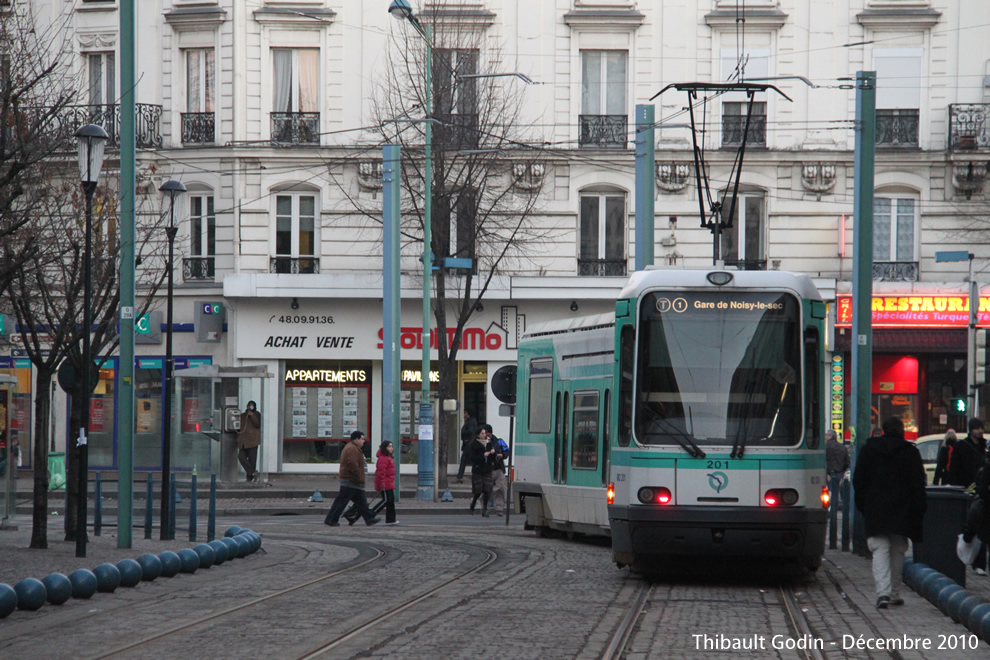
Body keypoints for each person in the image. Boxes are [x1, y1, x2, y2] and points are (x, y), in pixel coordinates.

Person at [852, 416, 927, 609]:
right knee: (898, 548)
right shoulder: (910, 452)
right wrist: (918, 510)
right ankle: (894, 593)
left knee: (879, 548)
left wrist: (862, 504)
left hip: (875, 507)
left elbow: (858, 479)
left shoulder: (869, 450)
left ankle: (882, 593)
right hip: (902, 508)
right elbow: (918, 484)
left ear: (883, 429)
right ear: (901, 430)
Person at [324, 431, 380, 527]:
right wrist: (358, 476)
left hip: (353, 481)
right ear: (356, 439)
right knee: (342, 501)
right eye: (362, 439)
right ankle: (331, 519)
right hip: (351, 480)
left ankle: (369, 518)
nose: (363, 441)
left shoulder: (353, 447)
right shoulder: (352, 449)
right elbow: (353, 464)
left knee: (361, 502)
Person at [346, 440, 398, 525]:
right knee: (386, 501)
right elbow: (381, 473)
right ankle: (371, 514)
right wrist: (382, 484)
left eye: (391, 446)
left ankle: (391, 519)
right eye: (389, 446)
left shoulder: (388, 458)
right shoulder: (383, 459)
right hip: (385, 483)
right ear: (384, 448)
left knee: (390, 501)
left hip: (389, 483)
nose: (391, 448)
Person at [484, 423, 509, 516]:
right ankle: (485, 508)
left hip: (498, 469)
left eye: (486, 433)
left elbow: (507, 450)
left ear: (490, 433)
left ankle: (499, 509)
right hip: (487, 470)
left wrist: (502, 455)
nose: (485, 435)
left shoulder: (498, 440)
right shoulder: (481, 442)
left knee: (501, 489)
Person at [468, 427, 495, 517]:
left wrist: (493, 453)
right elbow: (473, 458)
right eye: (482, 433)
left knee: (487, 490)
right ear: (478, 435)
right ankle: (473, 503)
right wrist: (483, 455)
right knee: (478, 490)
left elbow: (492, 457)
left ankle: (485, 509)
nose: (484, 435)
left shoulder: (488, 443)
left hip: (487, 469)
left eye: (484, 433)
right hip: (478, 470)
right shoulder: (474, 445)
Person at [237, 401, 261, 483]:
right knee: (241, 457)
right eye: (249, 406)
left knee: (252, 460)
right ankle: (253, 472)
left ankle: (249, 478)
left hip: (253, 441)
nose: (250, 408)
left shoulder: (257, 415)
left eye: (251, 407)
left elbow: (257, 424)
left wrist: (252, 415)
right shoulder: (243, 416)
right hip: (243, 442)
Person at [825, 429, 849, 512]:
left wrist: (826, 472)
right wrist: (842, 471)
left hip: (827, 473)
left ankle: (828, 510)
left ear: (830, 436)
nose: (825, 437)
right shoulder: (842, 447)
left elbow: (823, 460)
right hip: (838, 473)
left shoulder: (825, 447)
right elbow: (847, 462)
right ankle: (833, 510)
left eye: (826, 435)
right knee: (835, 493)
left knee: (826, 492)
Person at [456, 410, 478, 484]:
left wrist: (463, 434)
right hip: (469, 443)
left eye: (465, 413)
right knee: (467, 460)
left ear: (468, 414)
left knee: (464, 460)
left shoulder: (471, 422)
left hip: (468, 444)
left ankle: (460, 477)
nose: (463, 414)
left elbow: (470, 432)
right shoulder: (470, 421)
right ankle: (460, 476)